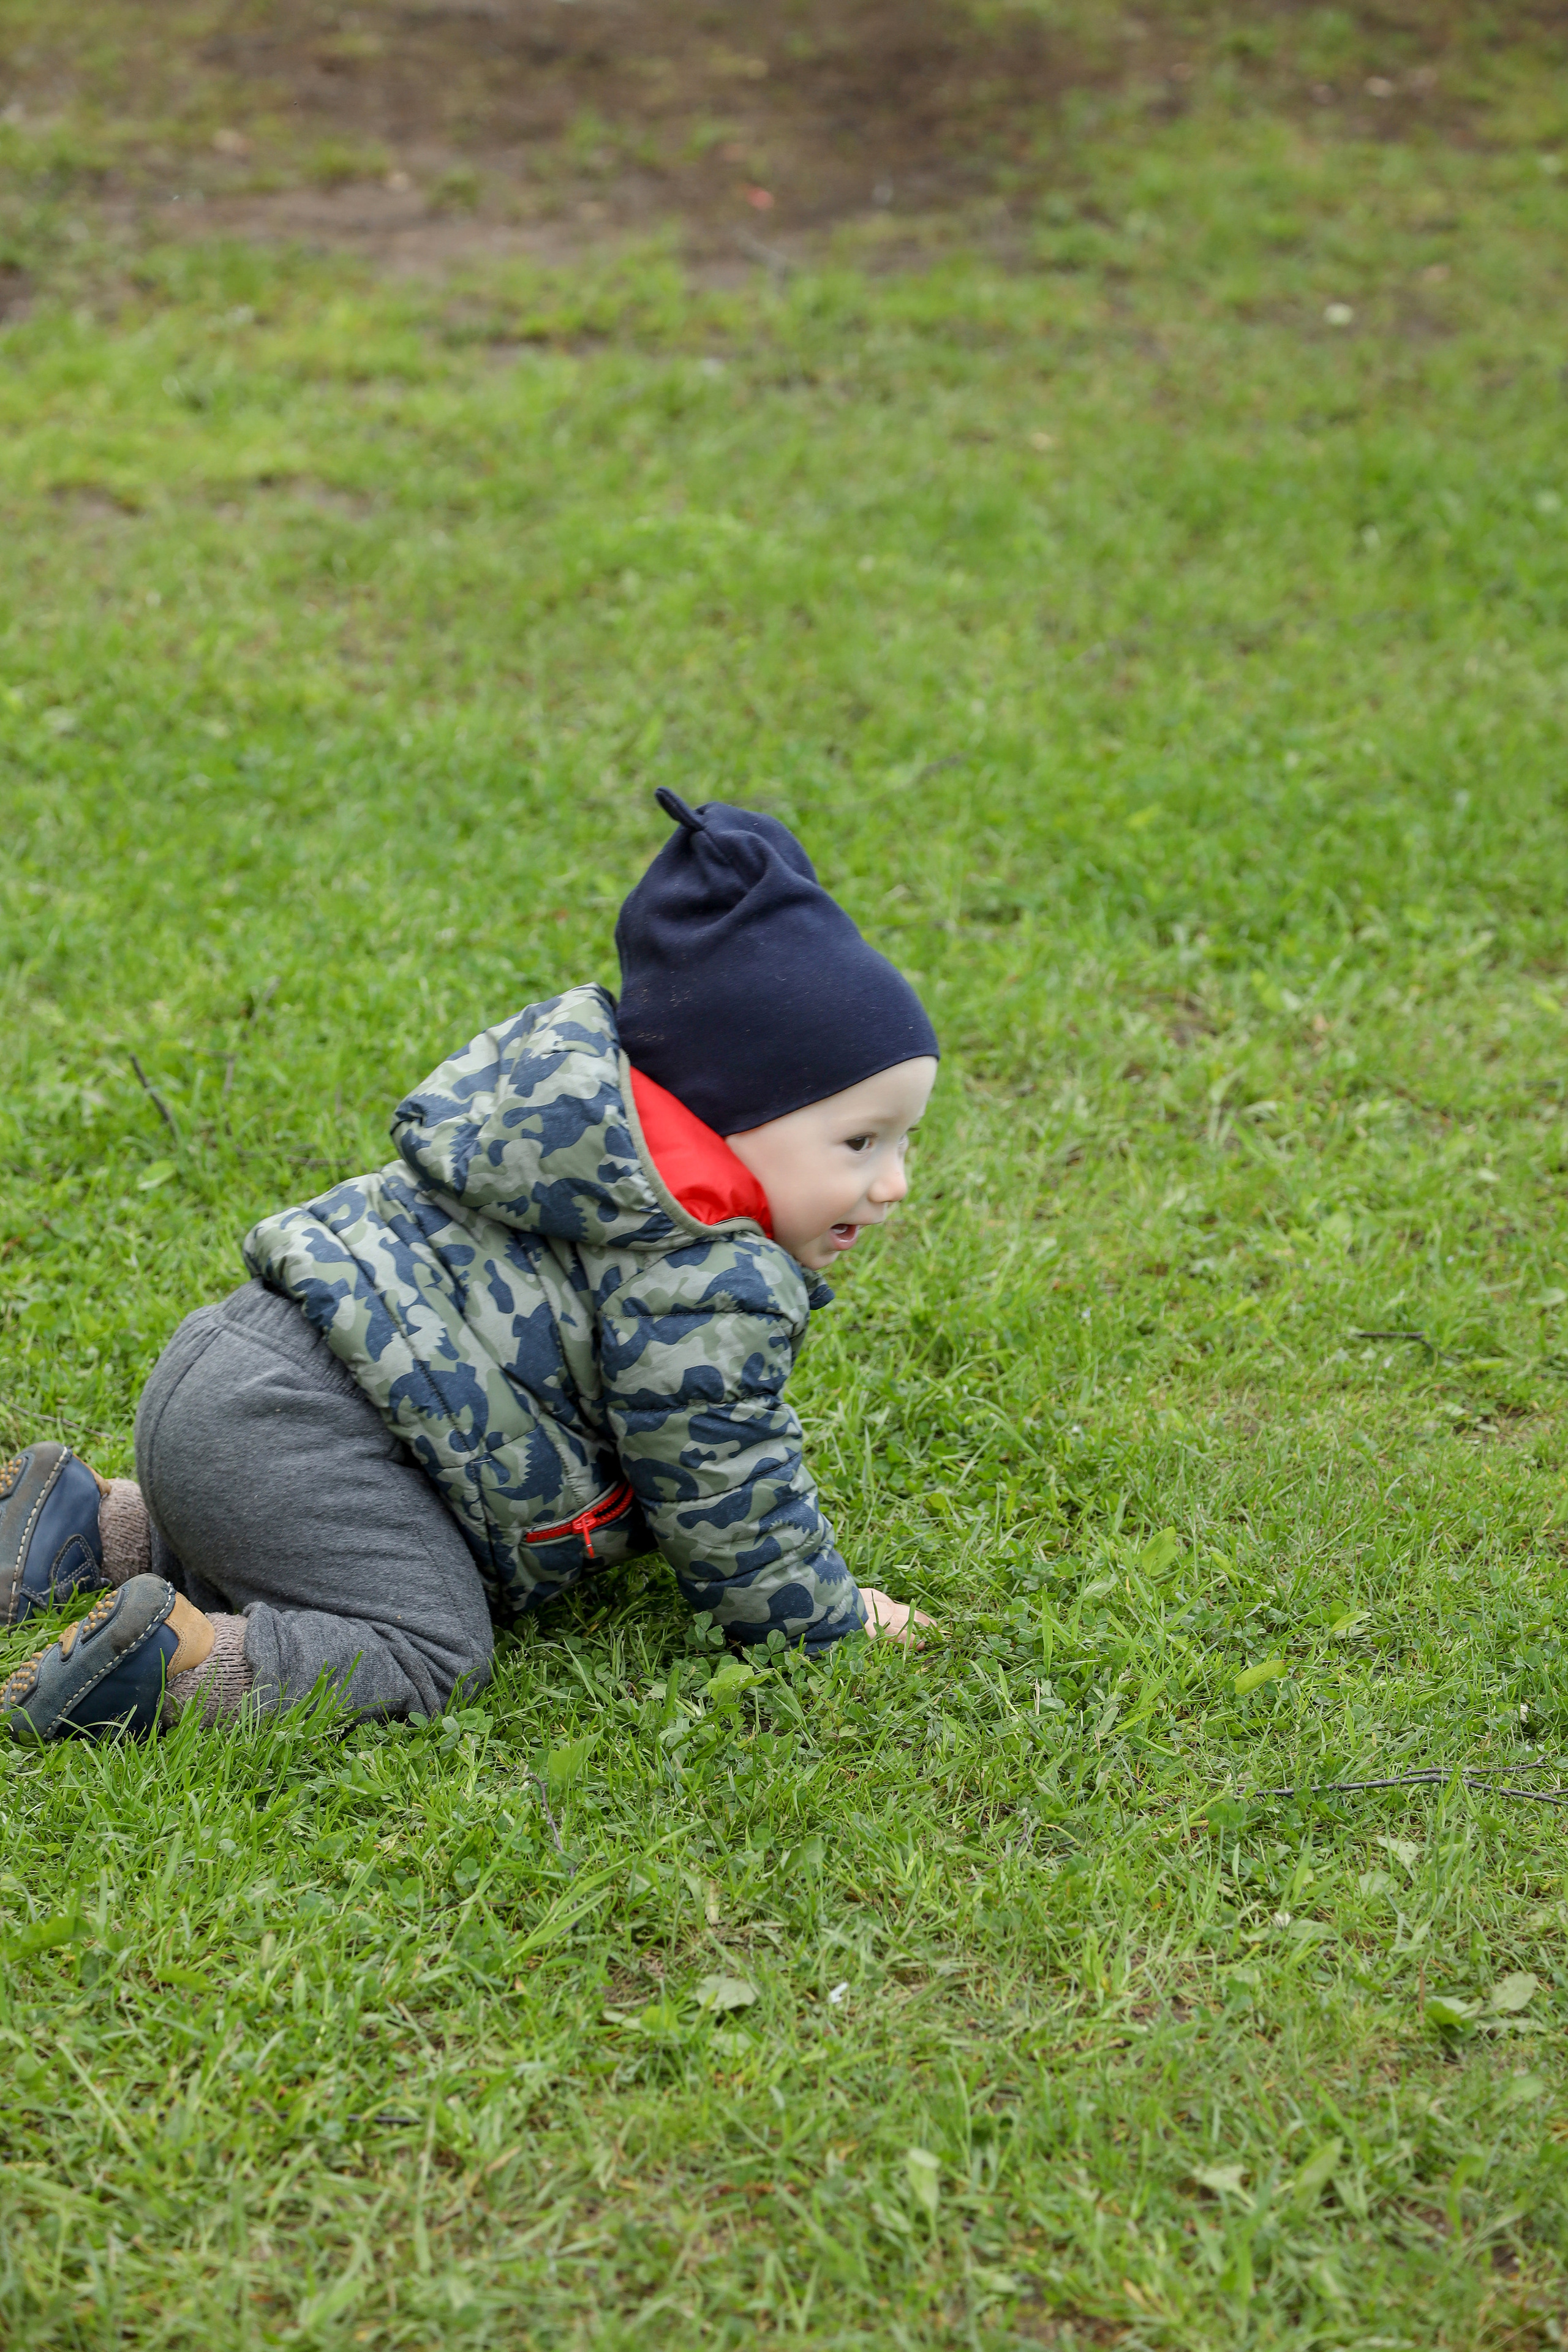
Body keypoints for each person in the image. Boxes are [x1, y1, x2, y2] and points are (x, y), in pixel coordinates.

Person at [1, 791, 938, 1744]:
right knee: (426, 1643)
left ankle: (80, 1526)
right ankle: (170, 1672)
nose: (893, 1183)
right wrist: (823, 1622)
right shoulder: (706, 1275)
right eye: (859, 1142)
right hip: (309, 1434)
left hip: (222, 1370)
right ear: (734, 1117)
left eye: (905, 1141)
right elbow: (724, 1483)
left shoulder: (562, 1149)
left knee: (290, 1534)